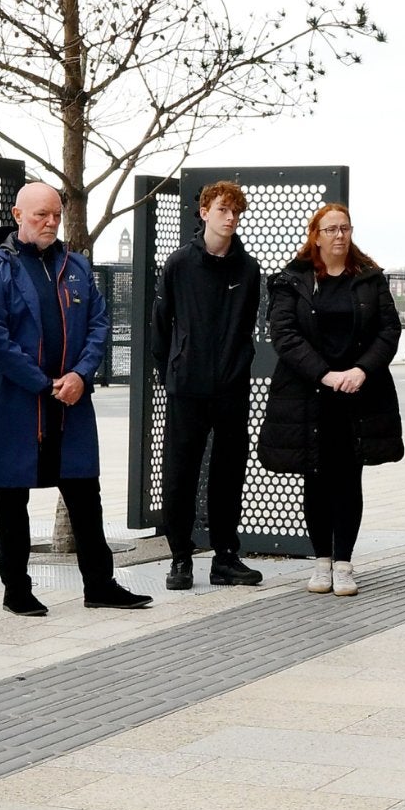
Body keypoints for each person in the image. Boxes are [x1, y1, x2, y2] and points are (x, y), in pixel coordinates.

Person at [0, 179, 151, 615]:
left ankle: (101, 584)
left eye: (56, 215)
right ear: (17, 216)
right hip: (17, 402)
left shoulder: (77, 266)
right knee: (11, 497)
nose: (51, 223)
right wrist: (42, 382)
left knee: (85, 493)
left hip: (71, 400)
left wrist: (80, 374)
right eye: (41, 215)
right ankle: (17, 590)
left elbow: (99, 324)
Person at [260, 199, 401, 595]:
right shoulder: (293, 278)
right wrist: (324, 373)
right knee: (317, 478)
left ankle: (344, 563)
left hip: (357, 393)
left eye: (345, 228)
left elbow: (388, 331)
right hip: (310, 394)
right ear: (316, 237)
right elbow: (284, 334)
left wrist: (360, 371)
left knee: (348, 478)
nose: (340, 236)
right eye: (331, 229)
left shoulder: (369, 278)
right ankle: (321, 561)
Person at [151, 179, 267, 591]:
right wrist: (175, 368)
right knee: (179, 472)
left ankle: (226, 556)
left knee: (229, 472)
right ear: (204, 213)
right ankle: (180, 557)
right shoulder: (179, 264)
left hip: (232, 387)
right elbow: (161, 327)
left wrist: (238, 365)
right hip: (187, 386)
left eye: (236, 211)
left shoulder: (249, 269)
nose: (230, 218)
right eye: (222, 210)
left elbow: (247, 326)